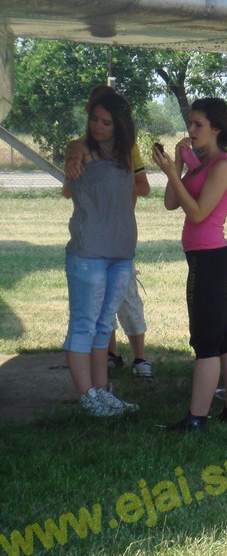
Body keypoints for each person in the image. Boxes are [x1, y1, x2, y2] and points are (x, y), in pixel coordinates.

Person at [153, 98, 227, 432]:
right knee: (224, 338)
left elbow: (197, 213)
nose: (190, 130)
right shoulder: (200, 162)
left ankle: (196, 419)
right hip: (204, 259)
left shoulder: (222, 166)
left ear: (216, 128)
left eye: (198, 124)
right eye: (189, 123)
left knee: (206, 341)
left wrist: (171, 172)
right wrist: (177, 165)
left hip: (211, 261)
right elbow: (170, 202)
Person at [63, 84, 154, 380]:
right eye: (94, 119)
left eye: (106, 121)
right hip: (89, 253)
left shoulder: (126, 152)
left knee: (104, 325)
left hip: (121, 252)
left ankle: (102, 391)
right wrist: (73, 158)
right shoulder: (83, 148)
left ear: (120, 123)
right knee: (84, 325)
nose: (98, 126)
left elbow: (143, 187)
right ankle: (89, 395)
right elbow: (74, 149)